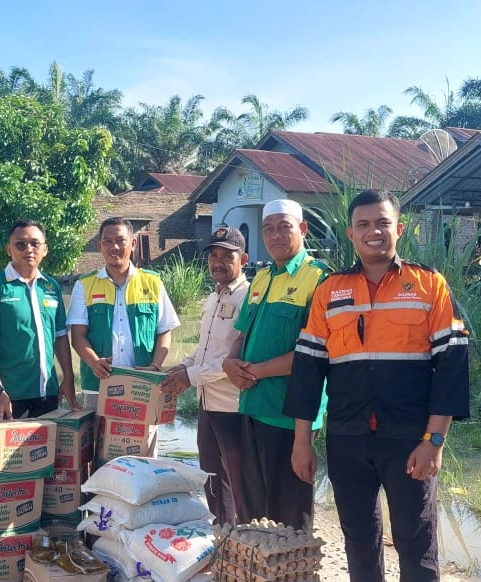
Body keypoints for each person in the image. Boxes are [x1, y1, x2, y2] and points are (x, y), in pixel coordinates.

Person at [285, 189, 470, 582]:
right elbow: (309, 368)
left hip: (408, 440)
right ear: (351, 233)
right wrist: (302, 441)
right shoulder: (330, 291)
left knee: (416, 547)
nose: (373, 232)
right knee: (360, 540)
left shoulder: (430, 286)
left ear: (398, 229)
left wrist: (435, 440)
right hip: (347, 439)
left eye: (382, 223)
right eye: (363, 224)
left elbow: (451, 365)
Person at [221, 199, 328, 532]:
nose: (276, 235)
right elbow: (241, 336)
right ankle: (259, 579)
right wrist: (229, 363)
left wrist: (254, 372)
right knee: (253, 514)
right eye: (268, 228)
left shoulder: (319, 279)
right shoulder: (263, 278)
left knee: (290, 519)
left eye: (285, 226)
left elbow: (314, 355)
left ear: (303, 229)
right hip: (252, 408)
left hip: (288, 416)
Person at [161, 226, 250, 525]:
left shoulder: (248, 298)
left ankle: (244, 538)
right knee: (212, 474)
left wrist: (190, 375)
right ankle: (221, 534)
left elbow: (232, 360)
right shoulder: (212, 299)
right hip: (206, 402)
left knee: (238, 480)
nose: (218, 262)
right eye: (214, 255)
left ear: (244, 260)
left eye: (227, 255)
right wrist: (182, 367)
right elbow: (204, 351)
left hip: (233, 405)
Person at [0, 219, 79, 419]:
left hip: (47, 394)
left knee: (48, 450)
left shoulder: (51, 287)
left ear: (45, 249)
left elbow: (61, 336)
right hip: (8, 396)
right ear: (9, 249)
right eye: (20, 244)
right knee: (8, 451)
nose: (28, 249)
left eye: (35, 244)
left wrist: (68, 378)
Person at [69, 217, 180, 409]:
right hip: (98, 386)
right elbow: (77, 336)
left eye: (121, 241)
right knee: (98, 438)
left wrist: (155, 367)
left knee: (142, 439)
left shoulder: (153, 283)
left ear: (133, 243)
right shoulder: (84, 285)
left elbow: (164, 331)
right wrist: (95, 362)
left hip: (142, 385)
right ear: (100, 246)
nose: (114, 247)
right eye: (108, 242)